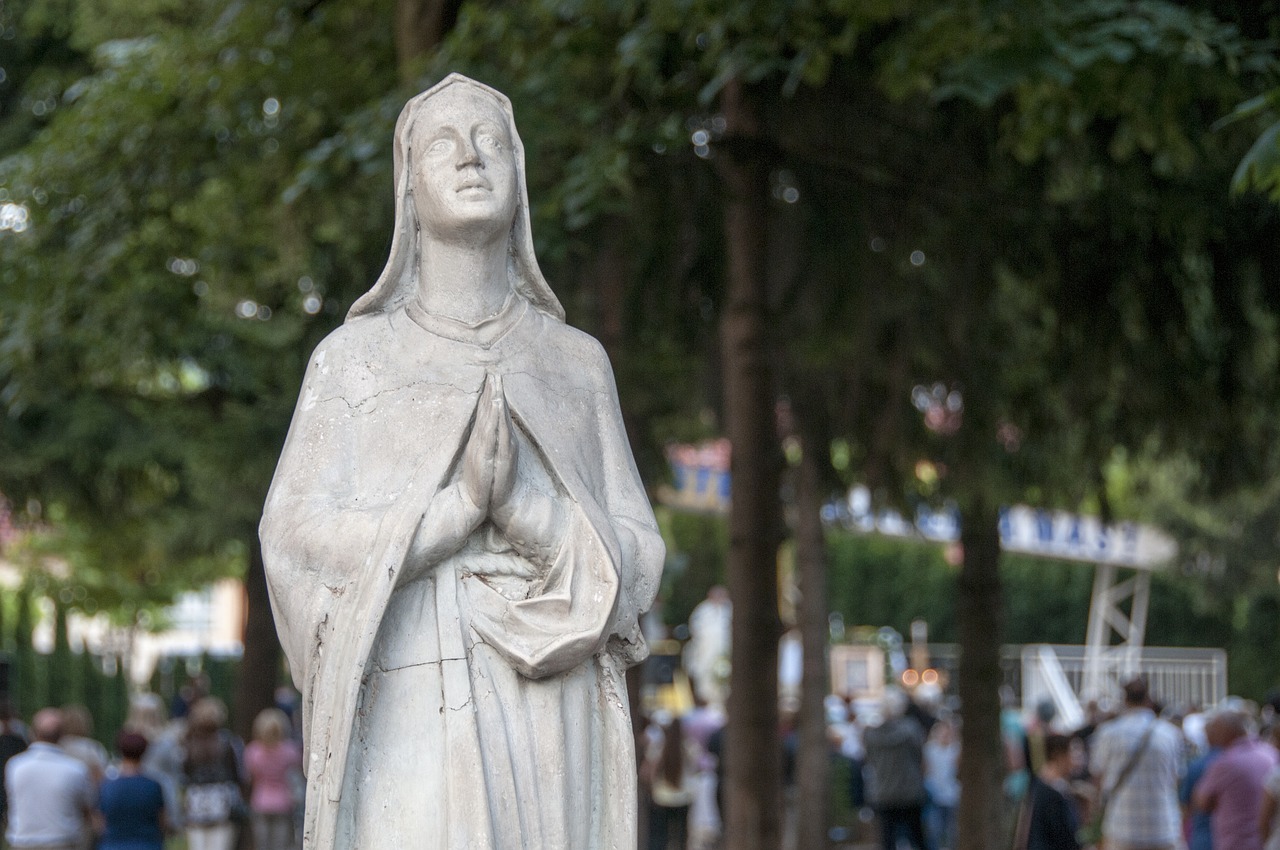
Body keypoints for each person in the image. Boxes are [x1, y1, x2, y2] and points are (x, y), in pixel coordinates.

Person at [259, 72, 664, 850]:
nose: (471, 158)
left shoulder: (573, 364)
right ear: (408, 191)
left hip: (553, 698)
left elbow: (640, 553)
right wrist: (449, 517)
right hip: (409, 695)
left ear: (520, 175)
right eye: (443, 144)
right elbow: (293, 538)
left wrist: (526, 512)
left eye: (491, 143)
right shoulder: (354, 362)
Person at [1089, 678, 1184, 850]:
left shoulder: (1107, 733)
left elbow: (1098, 778)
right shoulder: (1170, 734)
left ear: (1125, 700)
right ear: (1149, 699)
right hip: (1163, 826)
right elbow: (1176, 779)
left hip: (1121, 826)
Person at [5, 707, 96, 850]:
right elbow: (86, 809)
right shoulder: (76, 769)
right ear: (62, 736)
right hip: (61, 842)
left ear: (32, 733)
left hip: (22, 842)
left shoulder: (15, 766)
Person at [1192, 709, 1278, 850]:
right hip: (1266, 842)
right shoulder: (1270, 753)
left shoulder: (1225, 763)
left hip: (1236, 843)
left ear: (1227, 732)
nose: (1210, 736)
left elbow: (1202, 802)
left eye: (1214, 730)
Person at [862, 688, 928, 850]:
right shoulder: (912, 730)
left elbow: (869, 759)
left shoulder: (870, 734)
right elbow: (920, 757)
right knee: (917, 838)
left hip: (883, 792)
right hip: (910, 792)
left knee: (887, 839)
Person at [181, 698, 244, 850]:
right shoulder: (228, 742)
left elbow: (184, 773)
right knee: (220, 844)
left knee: (198, 845)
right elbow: (237, 773)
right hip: (222, 798)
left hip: (196, 799)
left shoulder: (188, 743)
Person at [243, 708, 301, 850]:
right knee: (281, 844)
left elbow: (249, 776)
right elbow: (296, 773)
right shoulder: (289, 751)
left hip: (260, 800)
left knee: (262, 844)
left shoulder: (253, 752)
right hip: (283, 801)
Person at [98, 731, 167, 850]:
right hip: (147, 844)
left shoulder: (107, 786)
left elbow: (100, 821)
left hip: (113, 844)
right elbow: (163, 821)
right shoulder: (153, 785)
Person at [1020, 734, 1081, 850]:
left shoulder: (1040, 783)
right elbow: (1063, 836)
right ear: (1058, 755)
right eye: (1071, 753)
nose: (1074, 760)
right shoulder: (1051, 791)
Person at [643, 716, 697, 850]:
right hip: (683, 798)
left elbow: (646, 773)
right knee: (681, 837)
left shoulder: (658, 748)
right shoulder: (689, 747)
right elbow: (696, 769)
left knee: (659, 838)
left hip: (661, 798)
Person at [924, 716, 960, 850]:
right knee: (934, 830)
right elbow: (926, 770)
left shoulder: (957, 749)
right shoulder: (929, 749)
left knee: (952, 831)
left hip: (953, 795)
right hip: (935, 795)